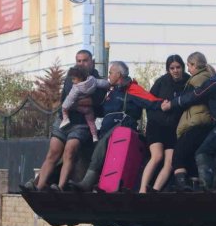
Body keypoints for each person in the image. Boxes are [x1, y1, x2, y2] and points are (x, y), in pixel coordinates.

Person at [162, 53, 216, 189]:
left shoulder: (215, 82)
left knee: (203, 152)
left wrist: (172, 104)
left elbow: (194, 96)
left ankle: (206, 188)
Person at [23, 49, 106, 192]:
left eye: (85, 60)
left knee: (69, 151)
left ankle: (60, 187)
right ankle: (38, 186)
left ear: (92, 61)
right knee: (53, 152)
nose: (82, 63)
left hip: (81, 124)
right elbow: (65, 100)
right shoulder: (71, 76)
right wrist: (79, 102)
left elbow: (95, 101)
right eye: (79, 61)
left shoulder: (95, 80)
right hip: (64, 121)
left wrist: (76, 102)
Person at [76, 61, 163, 191]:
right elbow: (101, 111)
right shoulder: (111, 92)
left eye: (111, 73)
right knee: (84, 142)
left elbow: (151, 101)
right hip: (106, 129)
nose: (108, 76)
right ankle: (80, 180)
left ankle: (88, 182)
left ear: (119, 74)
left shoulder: (132, 89)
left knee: (103, 144)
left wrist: (168, 104)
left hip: (123, 127)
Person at [139, 54, 190, 193]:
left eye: (178, 67)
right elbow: (149, 102)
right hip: (157, 125)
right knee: (157, 156)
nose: (175, 71)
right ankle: (142, 190)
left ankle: (155, 190)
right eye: (172, 68)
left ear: (182, 67)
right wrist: (160, 108)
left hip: (174, 128)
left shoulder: (188, 82)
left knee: (169, 162)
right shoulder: (161, 82)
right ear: (168, 69)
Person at [169, 52, 215, 191]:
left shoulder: (197, 80)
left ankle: (182, 185)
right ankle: (194, 186)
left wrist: (171, 103)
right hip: (203, 122)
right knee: (191, 156)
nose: (188, 70)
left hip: (197, 122)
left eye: (188, 66)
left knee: (178, 155)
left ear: (194, 65)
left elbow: (186, 99)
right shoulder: (208, 77)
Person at [60, 66, 110, 142]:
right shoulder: (92, 80)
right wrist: (108, 85)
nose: (72, 81)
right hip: (89, 109)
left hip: (80, 107)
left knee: (65, 108)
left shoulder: (76, 88)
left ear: (80, 78)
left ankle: (65, 119)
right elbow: (102, 83)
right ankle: (94, 136)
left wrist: (64, 107)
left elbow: (70, 98)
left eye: (74, 79)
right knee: (91, 122)